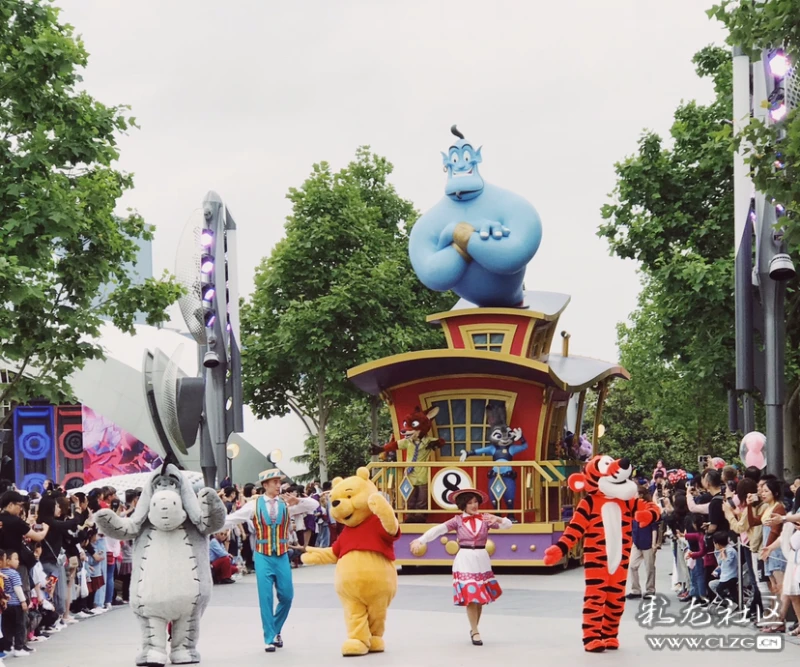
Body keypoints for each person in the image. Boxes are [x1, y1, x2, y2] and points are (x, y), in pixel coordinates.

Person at [224, 469, 319, 652]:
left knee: (287, 596)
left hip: (282, 554)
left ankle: (275, 629)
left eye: (278, 482)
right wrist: (206, 527)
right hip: (262, 555)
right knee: (266, 597)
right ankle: (269, 637)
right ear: (265, 485)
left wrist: (298, 500)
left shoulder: (286, 503)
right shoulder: (254, 505)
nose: (278, 485)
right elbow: (232, 519)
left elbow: (314, 505)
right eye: (274, 482)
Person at [410, 488, 512, 646]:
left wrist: (496, 518)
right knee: (472, 597)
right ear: (463, 505)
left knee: (479, 600)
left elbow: (508, 525)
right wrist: (421, 540)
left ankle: (474, 629)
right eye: (470, 502)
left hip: (482, 559)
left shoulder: (485, 519)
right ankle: (476, 631)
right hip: (465, 559)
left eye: (476, 502)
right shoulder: (457, 520)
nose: (474, 505)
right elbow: (438, 529)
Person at [627, 487, 657, 599]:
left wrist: (654, 543)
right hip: (636, 541)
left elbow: (654, 527)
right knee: (632, 565)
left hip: (648, 541)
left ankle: (650, 590)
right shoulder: (633, 509)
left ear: (640, 495)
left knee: (649, 567)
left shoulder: (649, 508)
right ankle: (636, 590)